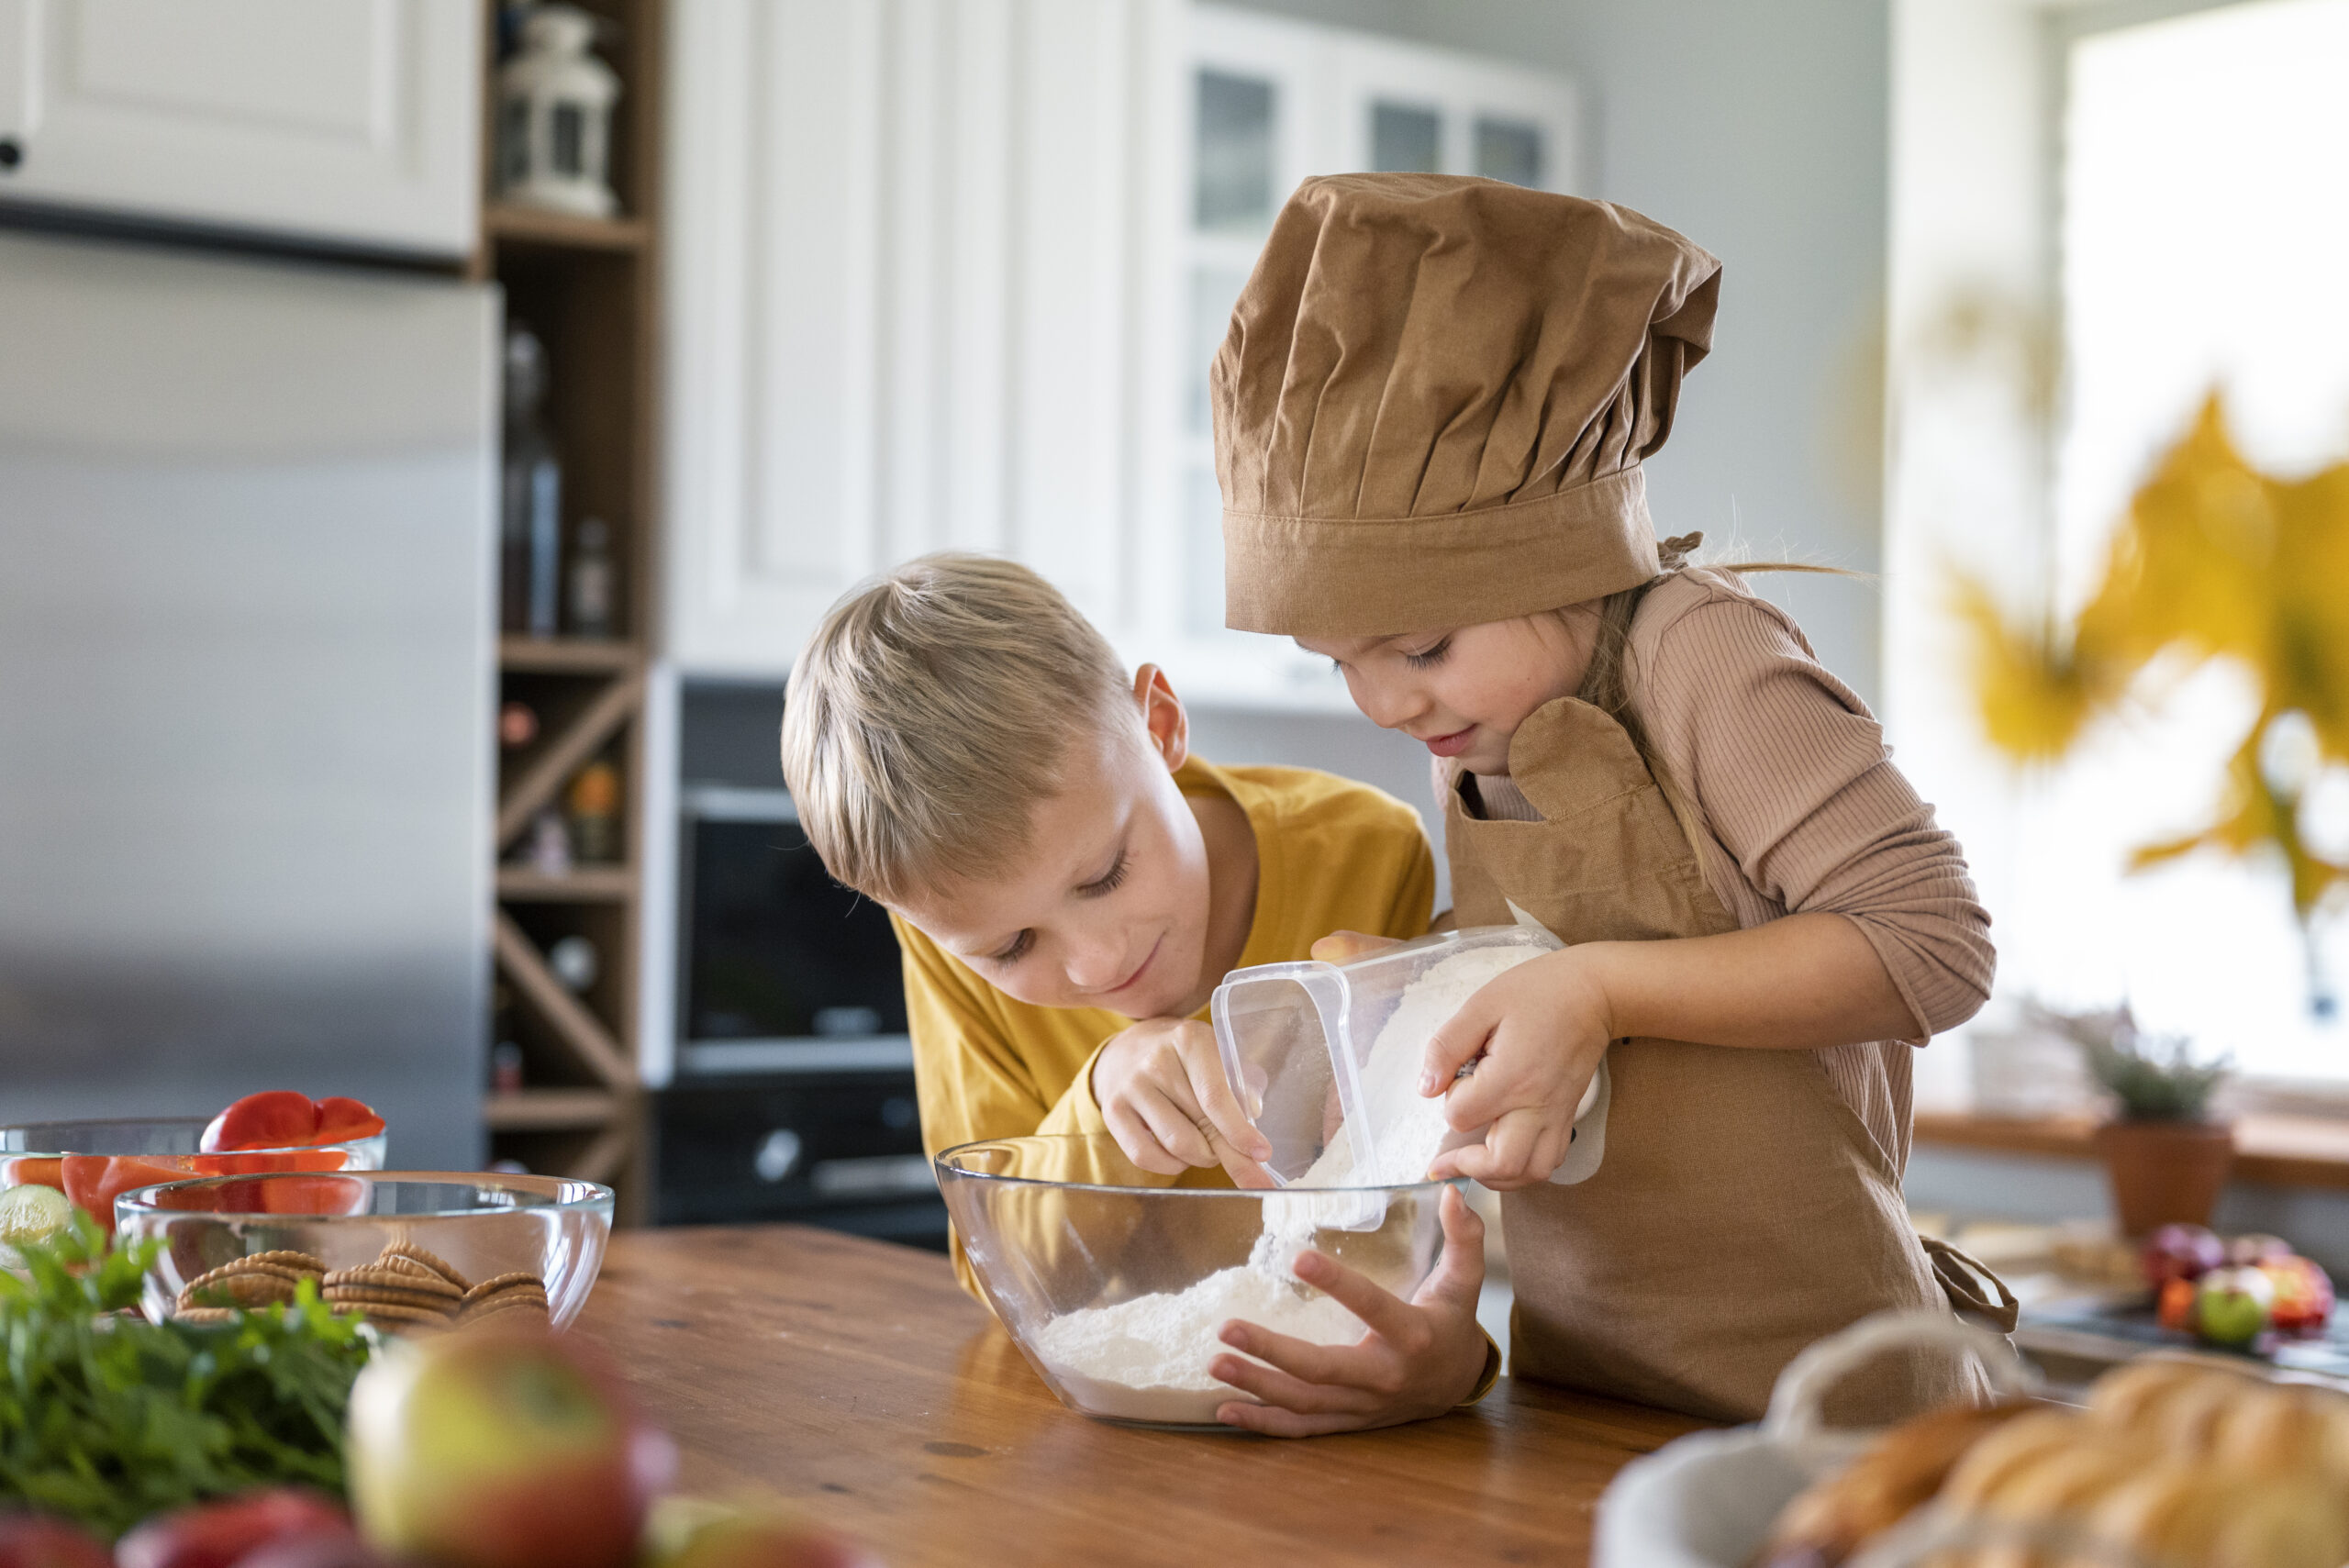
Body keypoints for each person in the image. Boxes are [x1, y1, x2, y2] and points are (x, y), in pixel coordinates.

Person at [1202, 173, 2012, 1432]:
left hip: (1829, 1411)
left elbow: (1937, 947)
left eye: (1417, 645)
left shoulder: (1700, 655)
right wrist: (1408, 1008)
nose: (1384, 703)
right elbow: (1555, 986)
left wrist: (1598, 993)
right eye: (1338, 661)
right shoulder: (1483, 722)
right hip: (1579, 1388)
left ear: (1558, 555)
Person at [777, 555, 1496, 1422]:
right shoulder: (940, 942)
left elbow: (1397, 1221)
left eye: (1107, 872)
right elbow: (997, 1270)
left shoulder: (1364, 849)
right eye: (1010, 947)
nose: (1096, 963)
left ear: (1159, 725)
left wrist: (1452, 1356)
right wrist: (1102, 1097)